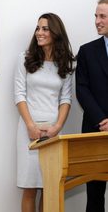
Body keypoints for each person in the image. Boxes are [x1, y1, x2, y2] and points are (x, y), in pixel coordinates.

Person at [14, 13, 75, 212]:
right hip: (28, 130)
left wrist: (57, 127)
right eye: (38, 28)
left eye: (45, 29)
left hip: (53, 132)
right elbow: (19, 95)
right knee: (30, 188)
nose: (39, 33)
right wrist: (31, 126)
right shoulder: (25, 58)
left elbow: (66, 99)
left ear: (55, 33)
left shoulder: (66, 63)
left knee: (49, 187)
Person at [76, 0, 108, 212]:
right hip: (94, 130)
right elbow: (82, 89)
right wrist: (102, 120)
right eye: (96, 16)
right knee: (95, 194)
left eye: (102, 16)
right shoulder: (87, 51)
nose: (97, 20)